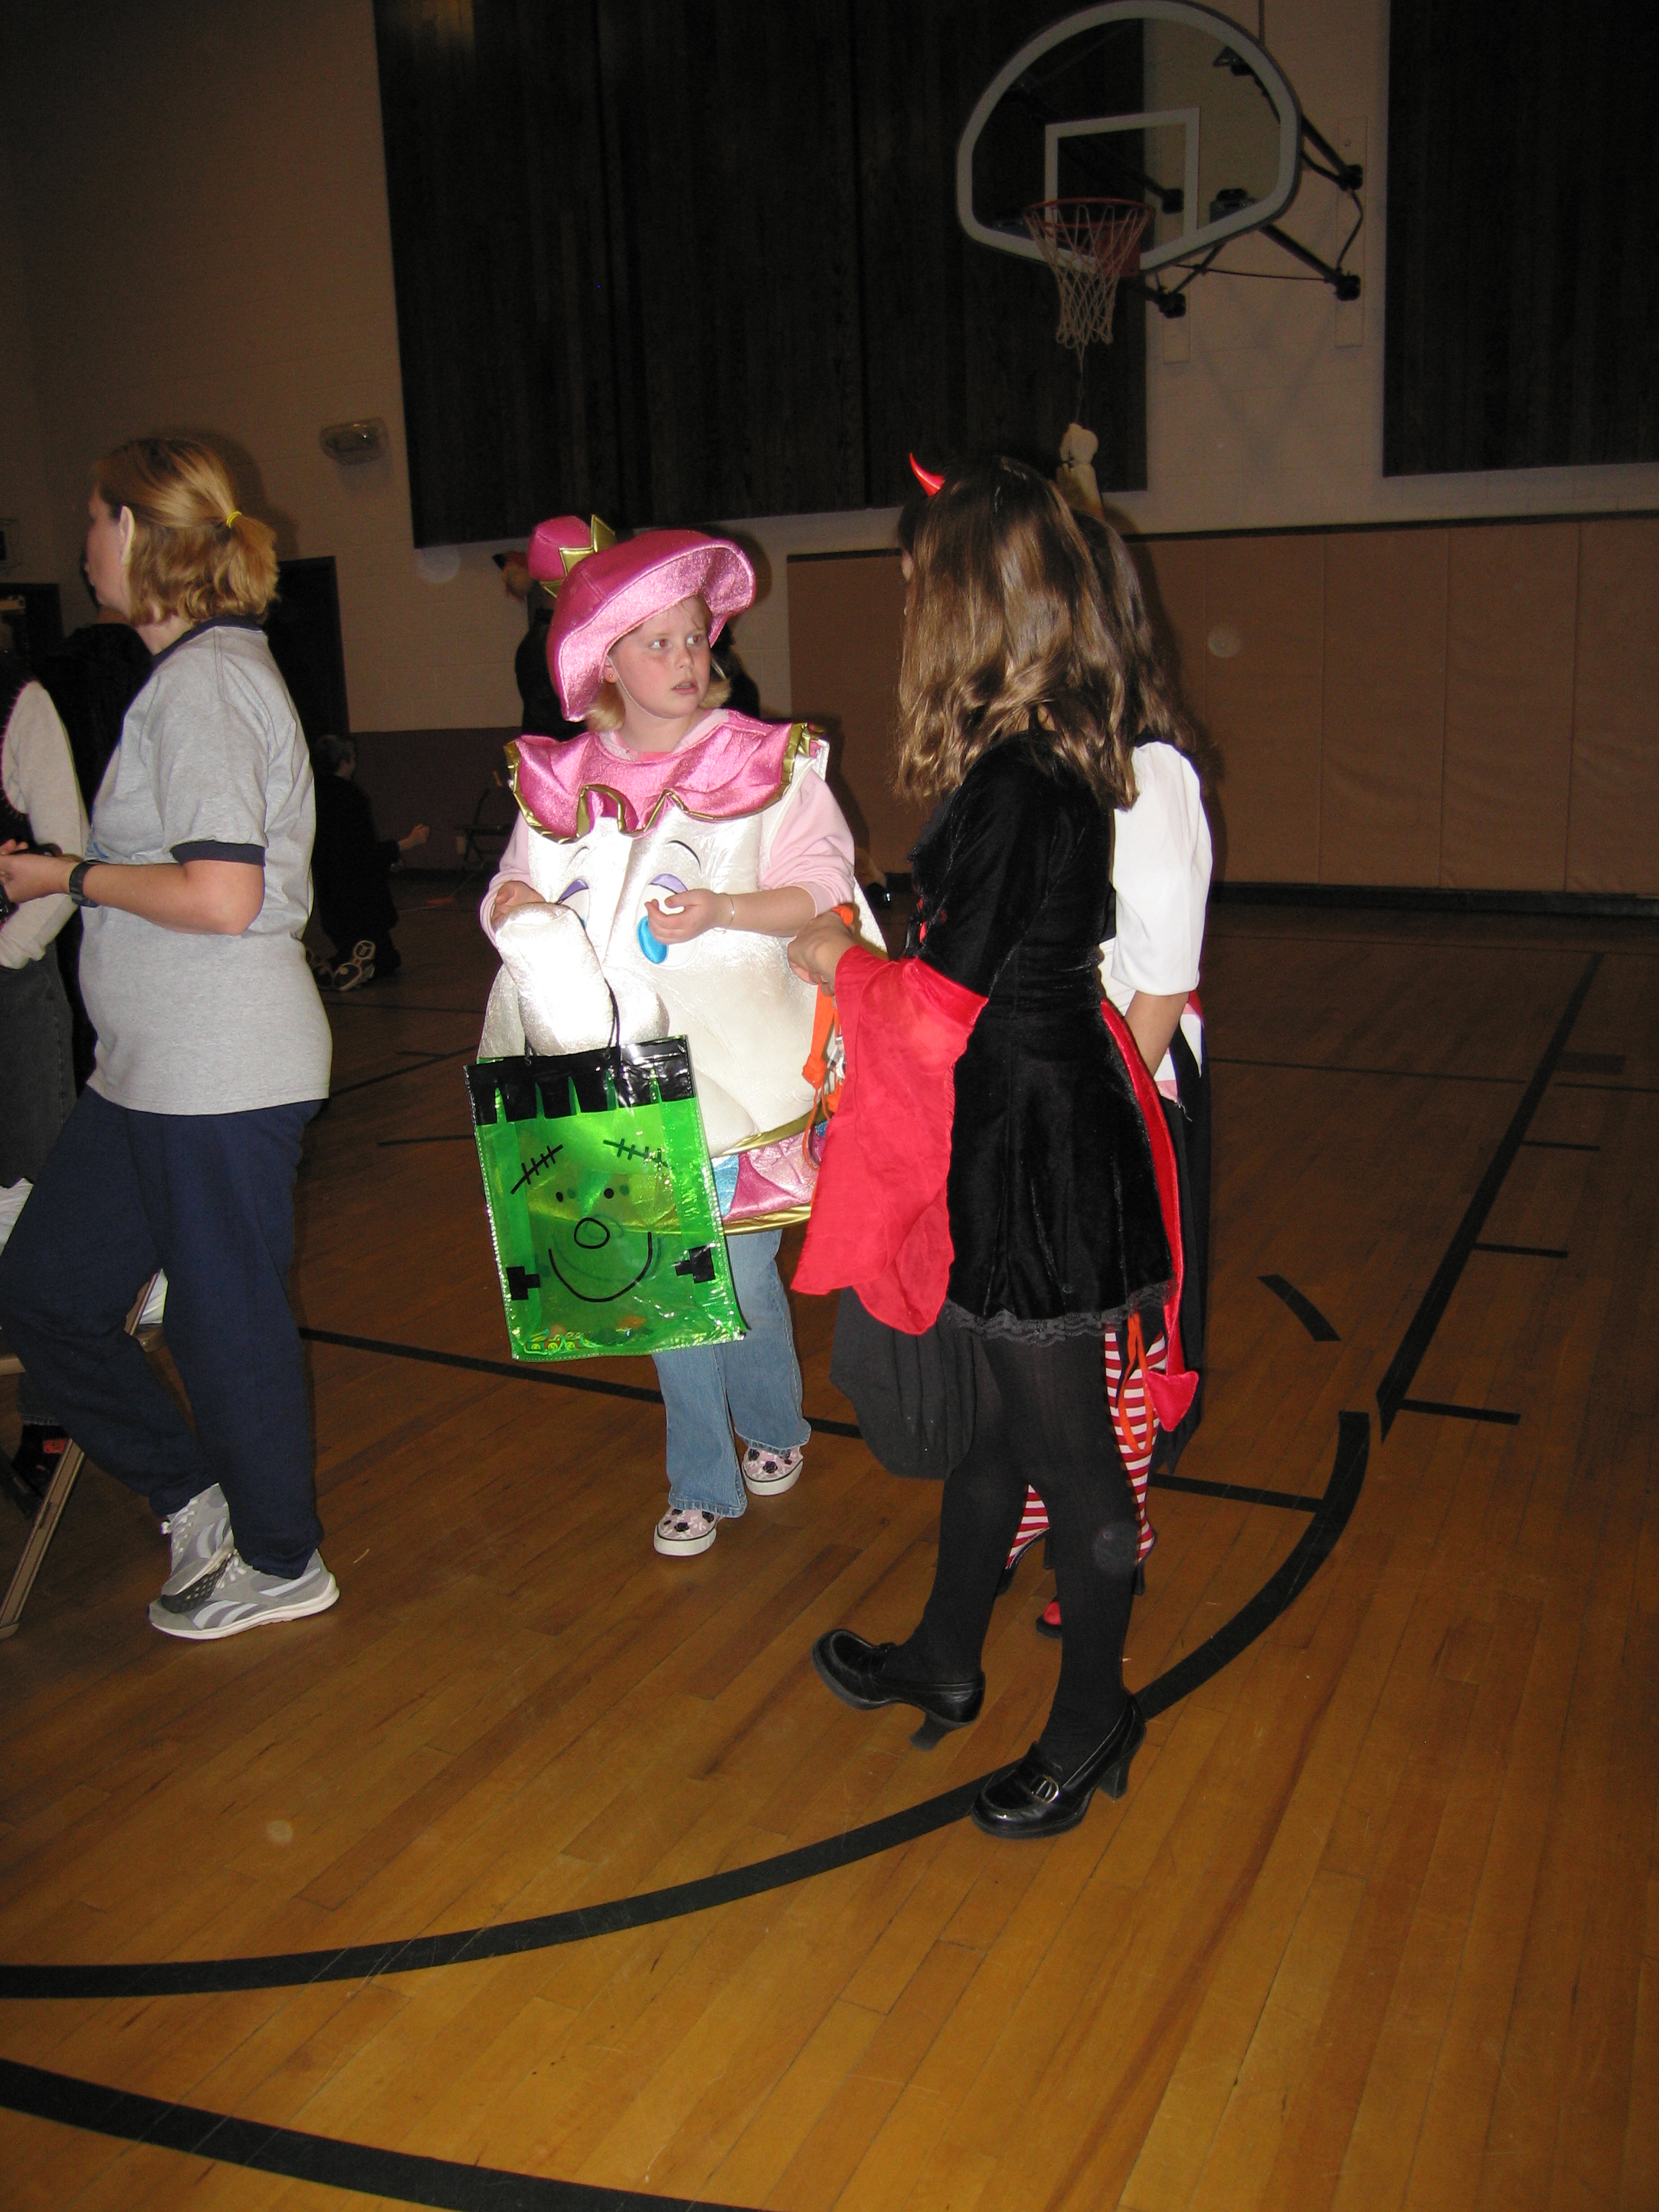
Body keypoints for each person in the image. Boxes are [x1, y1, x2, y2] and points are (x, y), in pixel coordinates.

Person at [790, 456, 1193, 1839]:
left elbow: (929, 1008)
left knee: (1069, 1457)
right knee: (996, 1431)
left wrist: (831, 956)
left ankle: (1089, 1717)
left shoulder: (1024, 777)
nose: (909, 611)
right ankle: (943, 1657)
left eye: (921, 589)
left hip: (1035, 1149)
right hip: (1016, 1128)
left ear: (973, 606)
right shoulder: (1026, 763)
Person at [0, 436, 337, 1641]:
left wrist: (68, 874)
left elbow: (223, 896)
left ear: (139, 533)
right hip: (147, 1073)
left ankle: (282, 1560)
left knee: (219, 1319)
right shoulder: (189, 676)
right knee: (46, 1292)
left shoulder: (206, 683)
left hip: (222, 1068)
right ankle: (197, 1500)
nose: (83, 543)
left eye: (96, 519)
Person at [480, 514, 860, 1557]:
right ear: (606, 661)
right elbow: (511, 888)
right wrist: (514, 910)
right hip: (614, 1070)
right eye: (659, 643)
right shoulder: (558, 780)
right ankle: (700, 1477)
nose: (688, 659)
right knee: (665, 1284)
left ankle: (773, 1424)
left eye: (696, 637)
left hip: (740, 1068)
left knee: (744, 1282)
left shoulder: (764, 762)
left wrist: (726, 911)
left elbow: (823, 885)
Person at [1010, 508, 1215, 1633]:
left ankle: (1109, 1536)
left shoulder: (1146, 775)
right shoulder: (1041, 762)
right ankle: (1051, 1504)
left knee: (1109, 1341)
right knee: (1050, 1331)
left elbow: (1161, 986)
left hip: (1125, 1093)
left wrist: (1081, 1122)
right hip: (1059, 1086)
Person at [0, 658, 87, 1514]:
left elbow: (67, 856)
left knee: (32, 1202)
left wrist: (8, 951)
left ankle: (49, 1411)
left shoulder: (18, 705)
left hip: (11, 996)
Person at [307, 733, 428, 988]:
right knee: (386, 959)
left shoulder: (313, 795)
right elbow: (361, 853)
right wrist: (408, 843)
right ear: (345, 762)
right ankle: (355, 971)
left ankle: (329, 966)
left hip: (330, 898)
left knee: (362, 949)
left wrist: (386, 861)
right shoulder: (351, 797)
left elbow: (343, 850)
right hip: (359, 903)